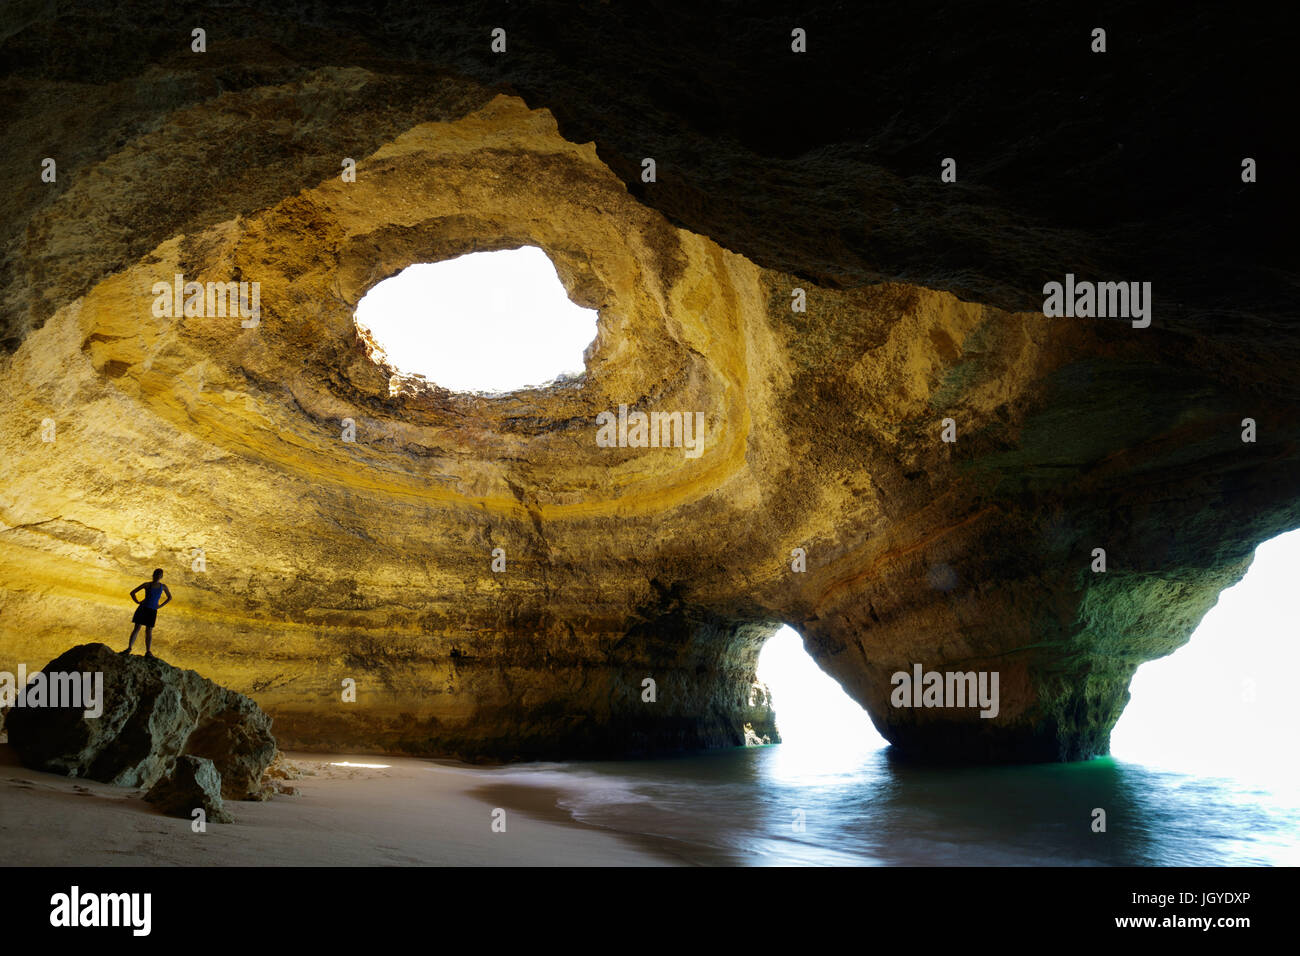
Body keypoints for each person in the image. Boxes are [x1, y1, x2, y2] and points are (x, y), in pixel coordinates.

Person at [124, 569, 171, 658]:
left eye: (159, 575)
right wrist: (137, 602)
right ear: (153, 575)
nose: (157, 576)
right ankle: (129, 648)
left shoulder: (162, 586)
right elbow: (132, 593)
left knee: (148, 631)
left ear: (161, 576)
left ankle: (148, 651)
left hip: (151, 610)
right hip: (144, 608)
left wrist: (160, 606)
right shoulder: (147, 584)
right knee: (138, 629)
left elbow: (169, 597)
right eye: (156, 574)